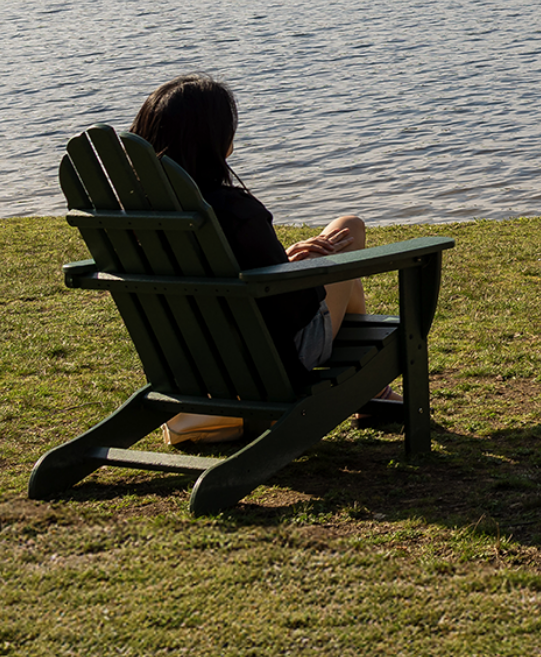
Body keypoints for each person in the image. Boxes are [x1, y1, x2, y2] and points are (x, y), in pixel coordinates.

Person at [129, 74, 378, 445]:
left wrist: (281, 261)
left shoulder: (135, 217)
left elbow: (212, 276)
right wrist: (294, 270)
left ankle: (373, 392)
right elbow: (296, 308)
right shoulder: (235, 212)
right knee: (348, 232)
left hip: (189, 360)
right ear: (219, 143)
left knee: (328, 253)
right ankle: (372, 387)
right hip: (272, 360)